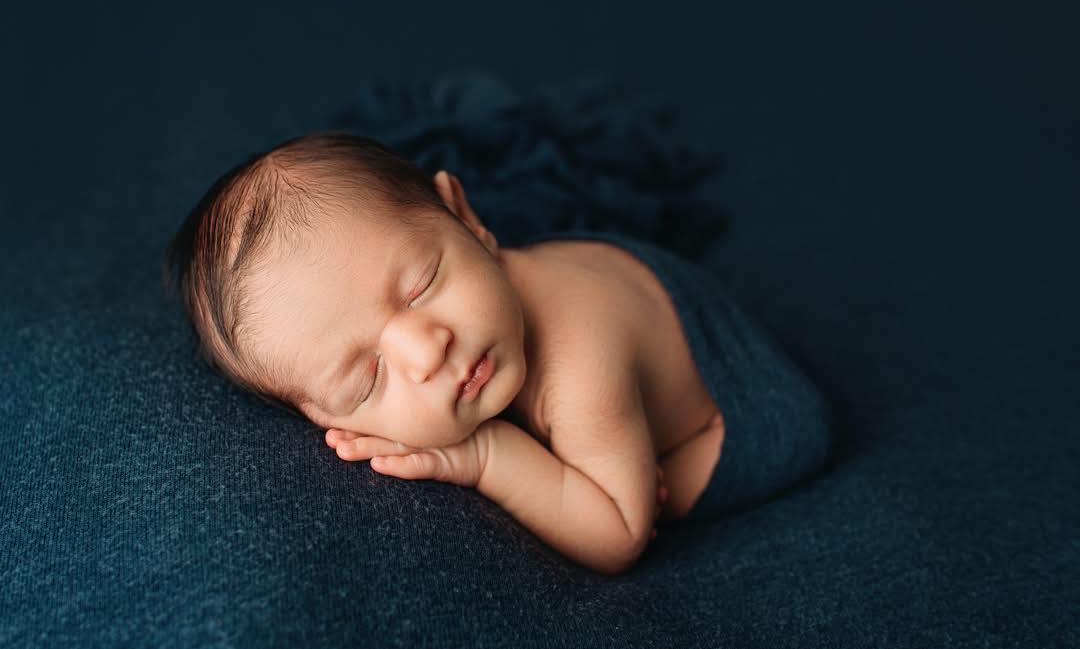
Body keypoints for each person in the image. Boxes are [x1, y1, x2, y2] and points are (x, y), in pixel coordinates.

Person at [162, 131, 832, 575]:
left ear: (467, 216)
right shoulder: (477, 310)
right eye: (367, 376)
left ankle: (678, 447)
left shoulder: (580, 366)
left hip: (739, 388)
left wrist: (489, 456)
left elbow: (619, 535)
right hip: (620, 288)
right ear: (321, 416)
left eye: (422, 285)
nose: (427, 349)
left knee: (767, 447)